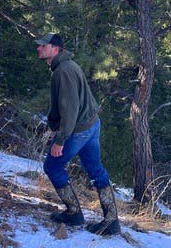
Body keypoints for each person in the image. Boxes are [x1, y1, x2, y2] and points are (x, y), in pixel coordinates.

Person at [36, 33, 120, 236]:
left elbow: (70, 109)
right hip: (91, 125)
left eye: (43, 46)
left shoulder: (63, 71)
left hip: (78, 130)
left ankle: (74, 213)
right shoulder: (67, 65)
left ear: (54, 49)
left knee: (53, 167)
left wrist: (60, 140)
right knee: (96, 170)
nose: (38, 49)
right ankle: (111, 221)